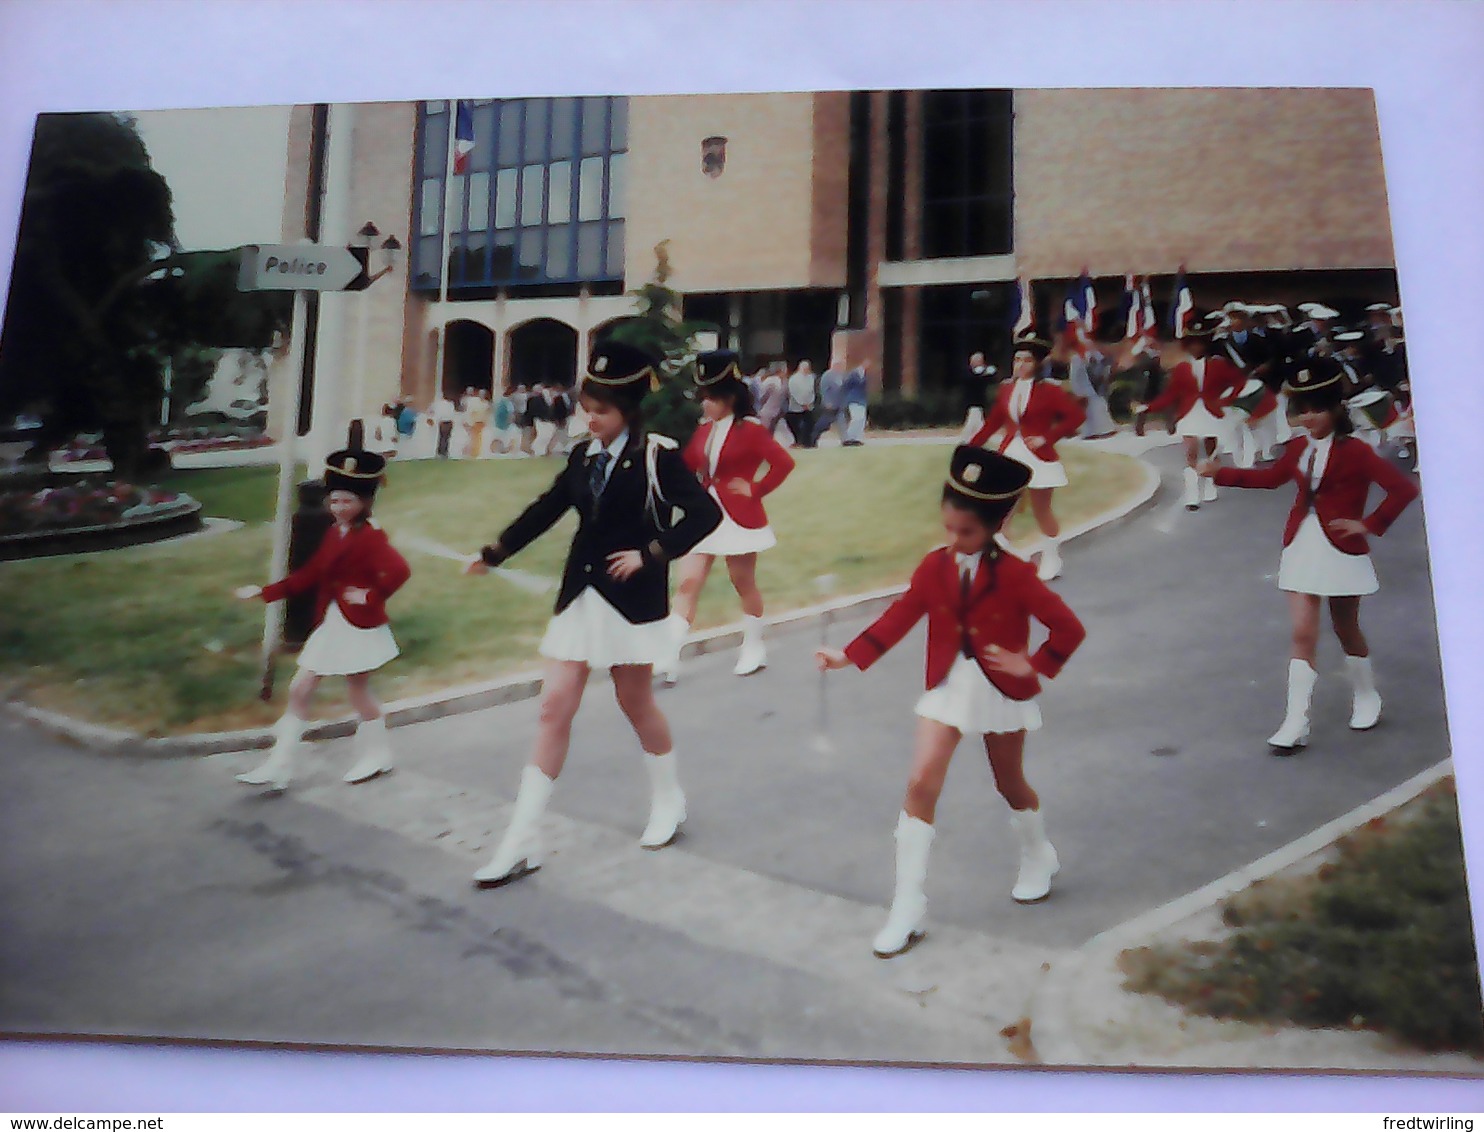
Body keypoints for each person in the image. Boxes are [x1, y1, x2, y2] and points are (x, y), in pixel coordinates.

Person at [463, 341, 722, 888]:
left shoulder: (657, 455)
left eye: (601, 409)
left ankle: (668, 798)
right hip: (579, 597)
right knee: (553, 708)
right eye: (588, 406)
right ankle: (521, 839)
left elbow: (705, 513)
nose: (590, 417)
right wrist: (495, 553)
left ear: (628, 409)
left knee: (635, 702)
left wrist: (651, 554)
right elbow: (549, 509)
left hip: (631, 602)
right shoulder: (582, 456)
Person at [816, 445, 1086, 957]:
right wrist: (848, 656)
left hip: (1000, 690)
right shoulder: (934, 567)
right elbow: (900, 616)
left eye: (967, 533)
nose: (954, 541)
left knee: (1009, 782)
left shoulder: (1015, 574)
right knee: (920, 783)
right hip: (947, 687)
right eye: (948, 529)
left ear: (998, 522)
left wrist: (1036, 665)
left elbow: (1069, 628)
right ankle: (907, 904)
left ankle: (1038, 852)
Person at [1196, 358, 1418, 753]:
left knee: (1346, 628)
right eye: (1302, 409)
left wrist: (1368, 524)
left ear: (1335, 408)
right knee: (1302, 632)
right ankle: (1296, 720)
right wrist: (1221, 474)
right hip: (1302, 544)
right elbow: (1270, 479)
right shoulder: (1298, 447)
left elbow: (1403, 490)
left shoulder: (1356, 452)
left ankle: (1366, 695)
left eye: (1317, 407)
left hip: (1342, 548)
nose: (1309, 417)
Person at [232, 447, 412, 790]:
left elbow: (400, 570)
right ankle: (279, 765)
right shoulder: (334, 532)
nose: (339, 508)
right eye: (334, 501)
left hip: (357, 625)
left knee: (357, 693)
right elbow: (311, 574)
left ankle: (377, 755)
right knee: (301, 687)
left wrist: (370, 595)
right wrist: (265, 592)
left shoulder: (371, 537)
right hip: (333, 623)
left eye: (347, 502)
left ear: (364, 503)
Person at [662, 350, 797, 685]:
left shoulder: (751, 430)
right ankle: (668, 655)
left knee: (743, 583)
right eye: (703, 398)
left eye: (712, 398)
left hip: (738, 518)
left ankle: (754, 646)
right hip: (702, 516)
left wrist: (756, 489)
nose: (706, 405)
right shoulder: (703, 431)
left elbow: (783, 463)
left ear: (730, 398)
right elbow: (689, 464)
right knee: (687, 583)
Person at [969, 335, 1085, 580]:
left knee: (1041, 510)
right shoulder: (1007, 389)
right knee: (1000, 508)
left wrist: (1047, 437)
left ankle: (1052, 557)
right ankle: (1011, 556)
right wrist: (971, 449)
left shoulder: (1050, 390)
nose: (1020, 365)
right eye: (1017, 360)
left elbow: (1075, 417)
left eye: (1027, 360)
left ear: (1037, 364)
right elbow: (993, 423)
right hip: (1011, 453)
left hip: (1039, 457)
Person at [1132, 316, 1243, 511]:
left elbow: (1238, 384)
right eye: (1192, 344)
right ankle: (1192, 494)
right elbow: (1171, 394)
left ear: (1206, 344)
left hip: (1212, 412)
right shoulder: (1182, 368)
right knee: (1190, 451)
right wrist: (1148, 407)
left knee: (1211, 450)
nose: (1196, 348)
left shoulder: (1219, 365)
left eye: (1200, 344)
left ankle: (1210, 483)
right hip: (1189, 413)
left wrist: (1228, 400)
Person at [958, 351, 997, 441]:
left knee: (975, 424)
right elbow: (972, 379)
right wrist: (983, 372)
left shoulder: (982, 374)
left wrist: (986, 372)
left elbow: (991, 378)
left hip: (979, 403)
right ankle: (972, 440)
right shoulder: (967, 372)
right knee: (976, 425)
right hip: (971, 404)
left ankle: (970, 440)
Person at [813, 357, 848, 446]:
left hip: (839, 404)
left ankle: (845, 440)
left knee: (841, 421)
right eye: (840, 365)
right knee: (824, 424)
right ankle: (813, 437)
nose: (842, 367)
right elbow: (823, 390)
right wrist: (826, 401)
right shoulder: (827, 375)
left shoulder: (840, 375)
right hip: (830, 405)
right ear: (835, 365)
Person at [784, 360, 818, 448]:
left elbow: (812, 391)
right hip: (796, 407)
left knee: (809, 424)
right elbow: (794, 392)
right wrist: (802, 403)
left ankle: (808, 442)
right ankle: (798, 441)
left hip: (809, 406)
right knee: (795, 425)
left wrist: (809, 402)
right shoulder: (794, 379)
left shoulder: (811, 378)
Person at [754, 362, 787, 443]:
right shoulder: (770, 381)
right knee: (764, 431)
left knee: (771, 431)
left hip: (777, 410)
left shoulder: (784, 381)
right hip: (767, 410)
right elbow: (762, 397)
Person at [842, 359, 870, 446]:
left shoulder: (864, 375)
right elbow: (846, 385)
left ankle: (857, 438)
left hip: (861, 400)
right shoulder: (853, 374)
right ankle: (848, 438)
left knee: (862, 419)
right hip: (853, 399)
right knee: (856, 418)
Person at [430, 390, 457, 459]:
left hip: (443, 422)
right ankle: (443, 452)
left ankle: (441, 452)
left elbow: (437, 413)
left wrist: (436, 420)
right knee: (446, 438)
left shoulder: (440, 404)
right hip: (448, 422)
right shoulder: (450, 404)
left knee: (443, 437)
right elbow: (452, 413)